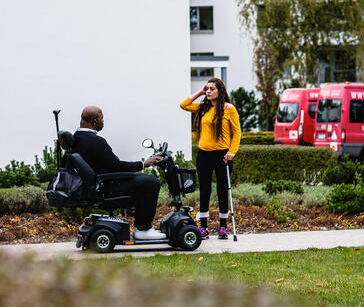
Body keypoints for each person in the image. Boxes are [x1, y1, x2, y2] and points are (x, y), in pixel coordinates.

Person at [72, 105, 165, 240]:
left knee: (141, 180)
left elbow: (111, 165)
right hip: (107, 186)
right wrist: (143, 164)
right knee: (151, 182)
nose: (103, 121)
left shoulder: (77, 138)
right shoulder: (95, 141)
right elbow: (117, 166)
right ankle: (143, 229)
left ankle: (142, 226)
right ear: (94, 121)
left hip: (98, 184)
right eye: (102, 118)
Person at [180, 78, 241, 239]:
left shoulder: (229, 109)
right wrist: (199, 92)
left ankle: (223, 228)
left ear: (220, 91)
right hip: (204, 155)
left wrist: (232, 152)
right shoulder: (203, 107)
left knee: (222, 190)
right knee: (205, 190)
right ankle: (204, 228)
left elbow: (237, 133)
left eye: (211, 89)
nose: (208, 91)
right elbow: (184, 105)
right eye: (206, 89)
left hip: (223, 156)